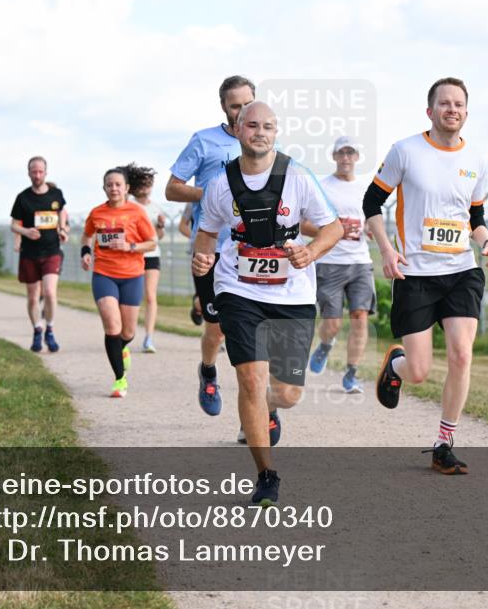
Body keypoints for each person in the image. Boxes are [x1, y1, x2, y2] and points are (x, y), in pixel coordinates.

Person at [193, 101, 342, 505]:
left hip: (292, 294)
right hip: (239, 289)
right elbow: (207, 233)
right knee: (251, 380)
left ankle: (267, 410)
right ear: (238, 130)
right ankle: (266, 475)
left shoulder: (298, 177)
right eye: (252, 125)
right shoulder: (221, 184)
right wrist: (204, 257)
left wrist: (310, 253)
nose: (259, 132)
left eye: (268, 127)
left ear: (276, 133)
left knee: (287, 394)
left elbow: (333, 227)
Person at [363, 77, 488, 475]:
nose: (452, 109)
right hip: (415, 275)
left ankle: (444, 442)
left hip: (461, 270)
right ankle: (396, 366)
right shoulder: (405, 151)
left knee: (462, 353)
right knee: (420, 372)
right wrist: (387, 250)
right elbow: (371, 202)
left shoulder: (475, 160)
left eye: (459, 104)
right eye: (445, 103)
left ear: (466, 112)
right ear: (430, 111)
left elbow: (475, 217)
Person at [166, 75, 256, 417]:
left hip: (251, 251)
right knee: (216, 330)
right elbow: (172, 189)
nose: (242, 111)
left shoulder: (264, 142)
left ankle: (255, 414)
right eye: (235, 105)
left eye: (247, 103)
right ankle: (208, 371)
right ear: (224, 107)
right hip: (210, 248)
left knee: (251, 333)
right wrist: (212, 195)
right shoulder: (203, 141)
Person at [304, 136, 376, 394]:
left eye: (351, 153)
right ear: (334, 156)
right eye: (341, 153)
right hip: (330, 262)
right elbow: (303, 224)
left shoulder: (366, 189)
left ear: (357, 157)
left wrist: (367, 228)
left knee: (360, 317)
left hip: (360, 262)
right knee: (332, 323)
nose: (346, 158)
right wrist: (336, 230)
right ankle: (325, 344)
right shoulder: (322, 187)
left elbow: (371, 221)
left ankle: (351, 374)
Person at [80, 164, 158, 397]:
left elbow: (152, 242)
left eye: (118, 185)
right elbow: (87, 235)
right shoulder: (97, 213)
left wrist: (130, 246)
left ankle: (122, 348)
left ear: (126, 188)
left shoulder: (136, 213)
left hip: (132, 275)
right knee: (112, 327)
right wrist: (85, 252)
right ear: (104, 188)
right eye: (109, 185)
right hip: (104, 273)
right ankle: (119, 379)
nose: (113, 188)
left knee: (128, 332)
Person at [10, 156, 69, 353]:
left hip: (52, 250)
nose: (37, 175)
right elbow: (14, 224)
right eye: (33, 172)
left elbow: (61, 212)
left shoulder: (55, 194)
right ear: (28, 173)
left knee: (50, 293)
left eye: (40, 172)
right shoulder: (23, 198)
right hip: (29, 253)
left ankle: (49, 329)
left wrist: (62, 229)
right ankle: (37, 329)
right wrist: (26, 232)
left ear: (46, 172)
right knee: (33, 297)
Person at [130, 176, 167, 353]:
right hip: (131, 254)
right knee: (133, 296)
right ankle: (126, 333)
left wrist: (160, 226)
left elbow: (158, 237)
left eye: (148, 184)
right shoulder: (129, 205)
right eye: (141, 183)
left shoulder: (156, 208)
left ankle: (148, 337)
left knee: (150, 296)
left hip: (151, 255)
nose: (145, 187)